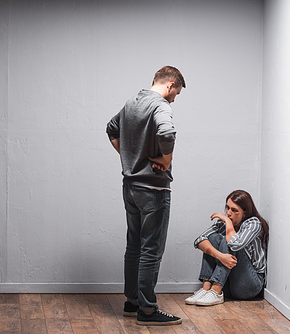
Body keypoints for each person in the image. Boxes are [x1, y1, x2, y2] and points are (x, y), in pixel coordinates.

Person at [106, 66, 185, 326]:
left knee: (134, 246)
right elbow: (167, 133)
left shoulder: (132, 103)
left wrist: (128, 156)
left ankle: (133, 301)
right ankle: (148, 311)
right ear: (170, 84)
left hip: (130, 187)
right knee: (151, 250)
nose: (174, 99)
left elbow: (111, 128)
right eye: (176, 93)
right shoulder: (159, 105)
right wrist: (166, 157)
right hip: (153, 189)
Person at [185, 190, 269, 306]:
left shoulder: (253, 223)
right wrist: (220, 256)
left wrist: (227, 222)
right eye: (227, 208)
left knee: (227, 240)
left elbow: (235, 244)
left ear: (245, 213)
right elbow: (199, 240)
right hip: (230, 284)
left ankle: (216, 291)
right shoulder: (222, 225)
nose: (229, 213)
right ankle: (206, 289)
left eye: (234, 210)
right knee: (213, 238)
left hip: (250, 285)